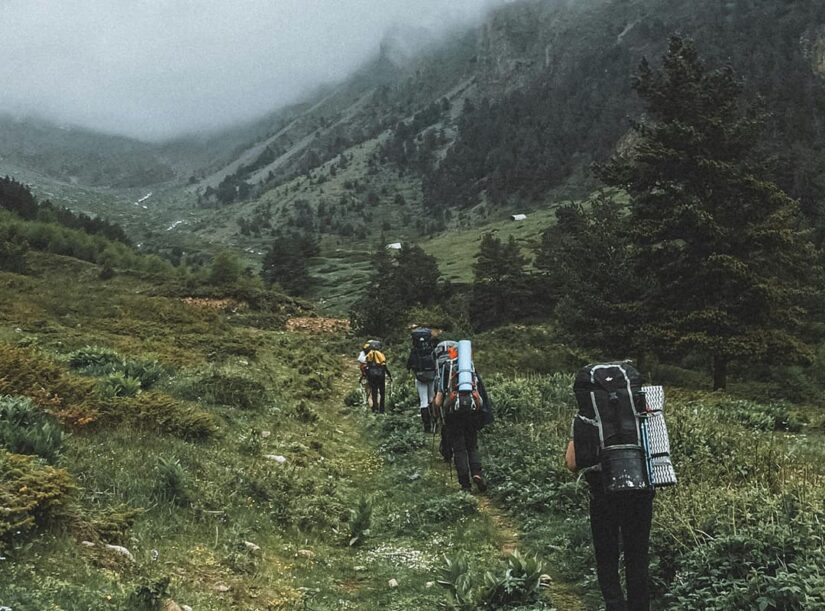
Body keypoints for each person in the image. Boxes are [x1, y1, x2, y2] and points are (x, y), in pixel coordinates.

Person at [565, 439, 654, 611]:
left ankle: (614, 605)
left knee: (606, 556)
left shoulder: (590, 411)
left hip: (602, 490)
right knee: (638, 557)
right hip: (640, 490)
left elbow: (572, 463)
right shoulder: (646, 411)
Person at [434, 340, 493, 492]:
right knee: (472, 446)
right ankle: (477, 473)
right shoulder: (470, 369)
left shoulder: (446, 367)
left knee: (459, 449)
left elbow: (439, 400)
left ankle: (465, 484)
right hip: (472, 413)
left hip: (454, 415)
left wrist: (439, 408)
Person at [406, 327, 438, 432]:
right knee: (432, 398)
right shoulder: (432, 349)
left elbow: (409, 364)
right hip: (432, 375)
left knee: (423, 401)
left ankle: (427, 427)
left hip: (420, 376)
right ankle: (435, 423)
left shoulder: (414, 350)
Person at [364, 343, 392, 414]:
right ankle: (382, 409)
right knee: (382, 391)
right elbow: (384, 364)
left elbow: (367, 365)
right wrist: (389, 375)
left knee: (374, 391)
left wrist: (366, 376)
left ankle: (375, 408)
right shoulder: (380, 354)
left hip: (372, 374)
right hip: (380, 374)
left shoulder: (369, 354)